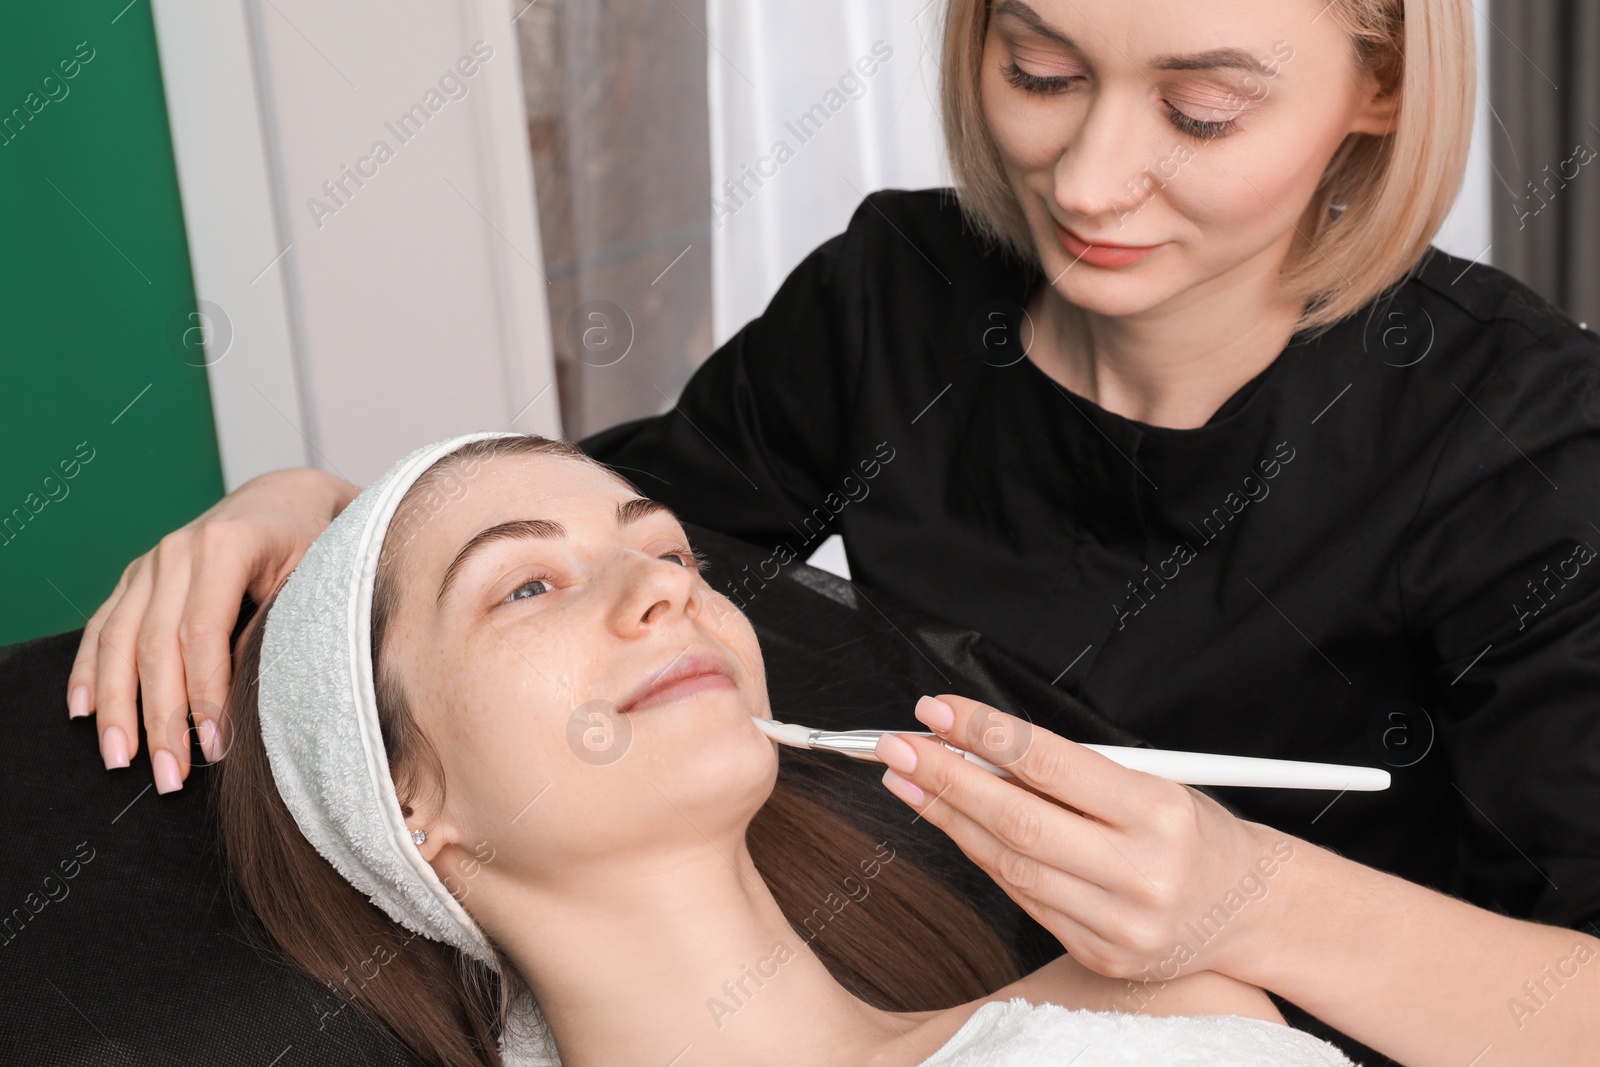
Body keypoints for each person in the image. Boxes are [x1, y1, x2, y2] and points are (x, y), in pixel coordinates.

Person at [63, 1, 1600, 1063]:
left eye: (1202, 109)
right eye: (1042, 66)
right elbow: (587, 543)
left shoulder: (1524, 446)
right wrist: (308, 510)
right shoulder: (896, 304)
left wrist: (1255, 902)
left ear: (1379, 88)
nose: (1086, 175)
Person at [221, 431, 1355, 1066]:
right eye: (525, 585)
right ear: (402, 796)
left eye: (672, 554)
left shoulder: (1167, 1021)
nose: (660, 588)